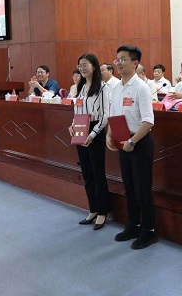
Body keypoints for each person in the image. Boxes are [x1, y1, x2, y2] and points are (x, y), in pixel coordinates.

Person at [106, 45, 157, 249]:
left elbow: (148, 121)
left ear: (135, 63)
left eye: (123, 59)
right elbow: (114, 115)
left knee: (142, 189)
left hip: (139, 143)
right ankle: (133, 225)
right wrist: (109, 135)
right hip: (123, 142)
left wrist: (133, 141)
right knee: (128, 187)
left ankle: (149, 231)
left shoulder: (141, 87)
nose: (118, 63)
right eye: (117, 59)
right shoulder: (116, 88)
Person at [68, 54, 110, 230]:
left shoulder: (102, 87)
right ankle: (93, 209)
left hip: (95, 131)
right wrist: (72, 125)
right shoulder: (81, 86)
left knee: (98, 173)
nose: (82, 68)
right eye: (80, 65)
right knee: (86, 173)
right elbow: (77, 109)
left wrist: (92, 135)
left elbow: (105, 115)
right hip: (80, 127)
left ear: (94, 66)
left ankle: (102, 211)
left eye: (85, 65)